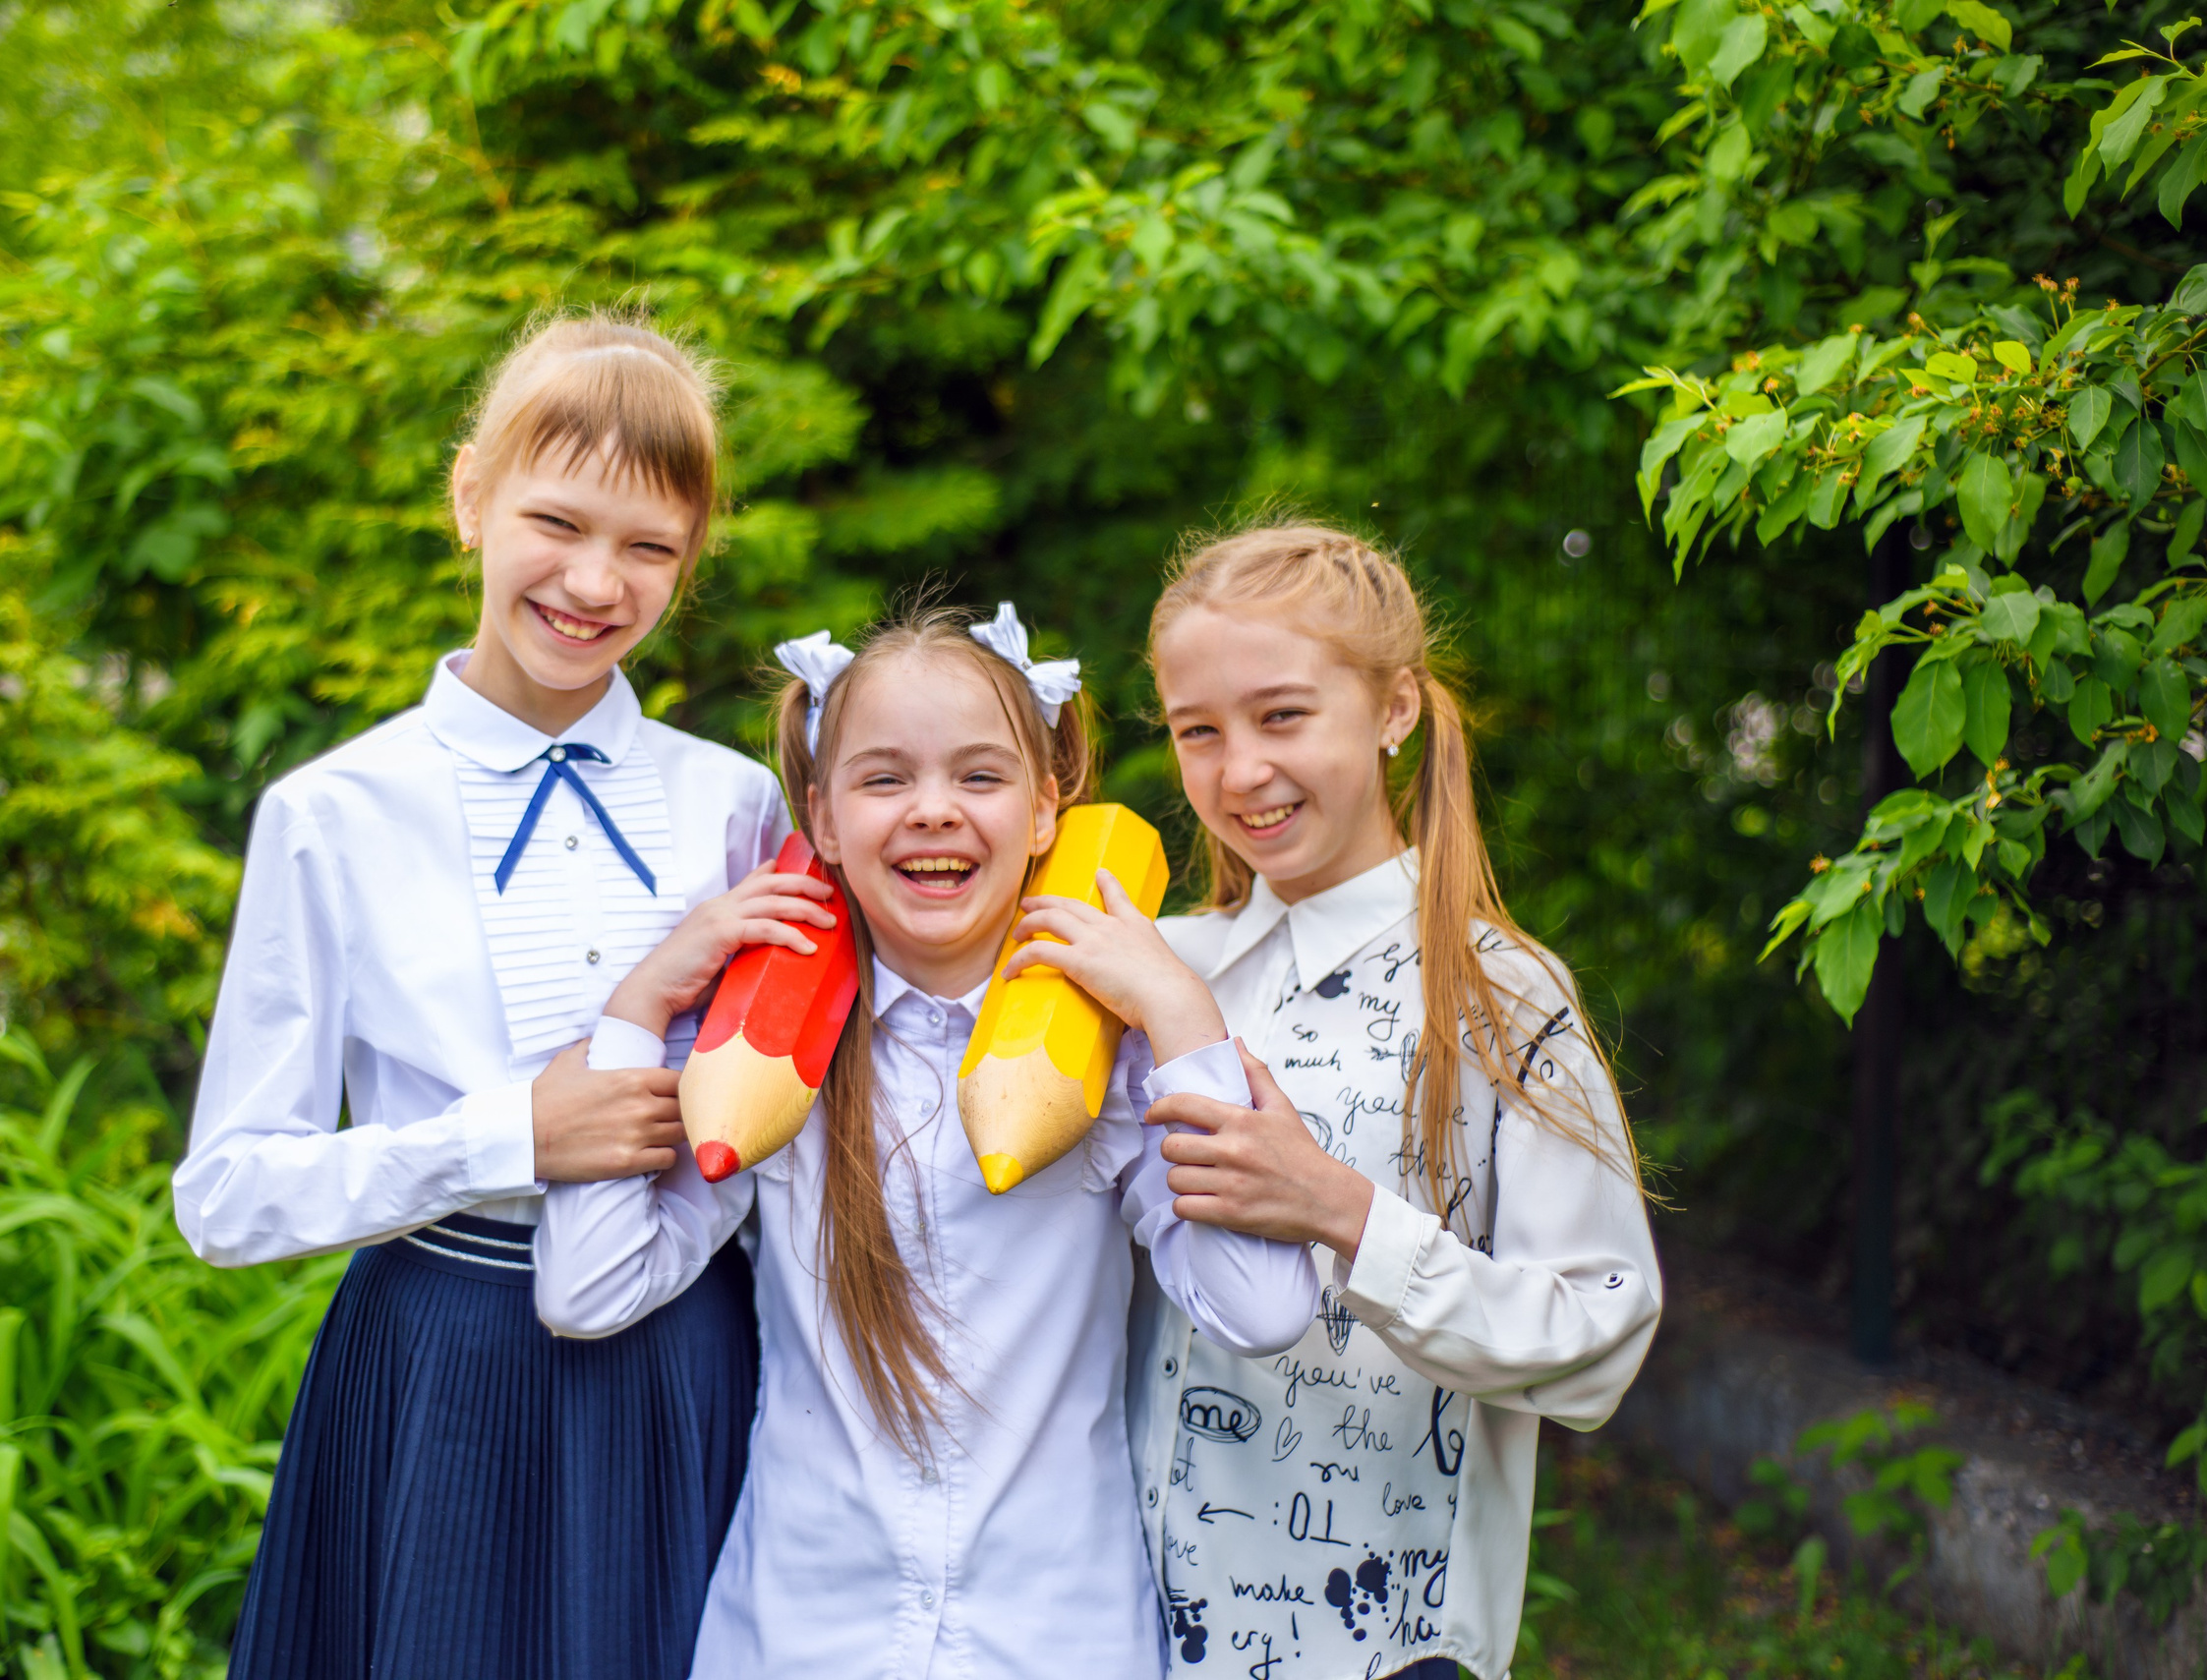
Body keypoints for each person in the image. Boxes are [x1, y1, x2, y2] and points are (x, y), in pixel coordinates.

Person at [176, 312, 835, 1680]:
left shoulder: (733, 803)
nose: (597, 581)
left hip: (686, 1358)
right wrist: (511, 1136)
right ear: (470, 494)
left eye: (650, 546)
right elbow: (229, 1195)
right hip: (441, 1370)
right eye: (558, 521)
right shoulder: (333, 814)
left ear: (691, 563)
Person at [534, 605, 1320, 1678]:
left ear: (1048, 808)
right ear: (818, 815)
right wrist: (639, 1007)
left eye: (981, 777)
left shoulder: (1113, 1055)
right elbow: (587, 1288)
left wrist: (1181, 1019)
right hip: (804, 1632)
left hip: (1053, 1635)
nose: (933, 812)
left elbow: (1262, 1306)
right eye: (884, 778)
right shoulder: (763, 1063)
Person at [1129, 523, 1662, 1680]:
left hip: (1379, 1648)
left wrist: (1342, 1212)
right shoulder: (1160, 973)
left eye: (1282, 716)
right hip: (1120, 1628)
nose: (1239, 771)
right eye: (1197, 731)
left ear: (1394, 709)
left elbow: (1595, 1341)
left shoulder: (1500, 996)